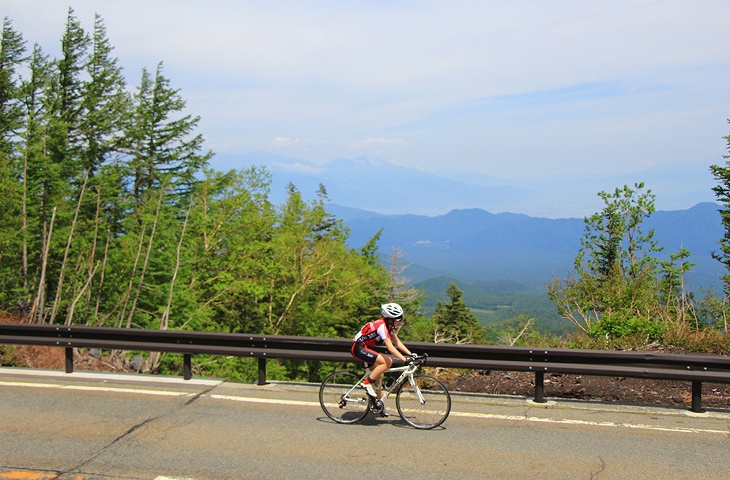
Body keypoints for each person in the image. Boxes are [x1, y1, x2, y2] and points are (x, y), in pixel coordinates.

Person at [350, 303, 417, 404]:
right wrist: (404, 359)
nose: (400, 321)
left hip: (366, 348)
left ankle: (378, 403)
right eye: (398, 319)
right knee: (387, 361)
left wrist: (410, 354)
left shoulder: (389, 326)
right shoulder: (382, 327)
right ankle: (367, 383)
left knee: (379, 375)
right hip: (359, 348)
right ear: (390, 319)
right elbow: (391, 347)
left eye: (401, 318)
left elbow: (397, 343)